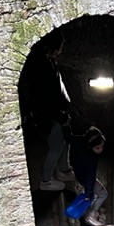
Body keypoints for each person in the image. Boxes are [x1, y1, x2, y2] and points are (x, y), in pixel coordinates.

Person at [34, 34, 76, 191]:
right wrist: (61, 116)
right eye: (59, 48)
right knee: (56, 147)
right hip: (49, 116)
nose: (61, 51)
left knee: (64, 141)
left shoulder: (49, 62)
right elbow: (46, 99)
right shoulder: (42, 68)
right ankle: (46, 181)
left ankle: (63, 171)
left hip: (55, 113)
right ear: (52, 48)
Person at [68, 125, 107, 226]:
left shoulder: (78, 141)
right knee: (103, 194)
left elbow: (69, 138)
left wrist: (65, 125)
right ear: (90, 147)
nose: (100, 150)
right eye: (97, 148)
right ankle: (91, 215)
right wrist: (88, 194)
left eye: (102, 146)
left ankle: (87, 215)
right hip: (85, 177)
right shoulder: (91, 159)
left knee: (91, 195)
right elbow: (90, 177)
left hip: (78, 172)